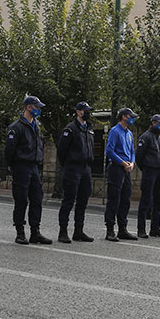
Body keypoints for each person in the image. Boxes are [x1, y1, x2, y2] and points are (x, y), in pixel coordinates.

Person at [6, 95, 52, 245]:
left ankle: (35, 232)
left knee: (37, 199)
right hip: (21, 166)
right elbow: (9, 149)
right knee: (21, 200)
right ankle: (20, 232)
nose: (38, 110)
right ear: (28, 107)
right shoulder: (16, 127)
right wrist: (10, 165)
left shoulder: (36, 126)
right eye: (36, 107)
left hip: (34, 167)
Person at [57, 101, 96, 243]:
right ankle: (63, 232)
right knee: (68, 200)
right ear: (78, 112)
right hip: (73, 168)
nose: (88, 113)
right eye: (86, 110)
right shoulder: (70, 129)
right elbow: (62, 151)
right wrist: (67, 165)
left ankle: (78, 231)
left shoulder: (89, 129)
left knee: (83, 200)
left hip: (86, 168)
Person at [104, 107, 138, 242]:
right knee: (114, 199)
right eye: (130, 116)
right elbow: (110, 151)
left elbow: (132, 151)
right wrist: (123, 163)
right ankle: (110, 229)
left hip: (127, 169)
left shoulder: (129, 133)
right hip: (117, 168)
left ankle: (122, 228)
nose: (132, 118)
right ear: (124, 117)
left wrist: (132, 163)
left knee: (125, 199)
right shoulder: (115, 131)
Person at [136, 114, 160, 239]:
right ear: (153, 123)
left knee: (159, 201)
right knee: (146, 200)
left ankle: (155, 228)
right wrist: (144, 167)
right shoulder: (146, 137)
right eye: (159, 123)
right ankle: (141, 229)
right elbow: (139, 156)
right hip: (149, 171)